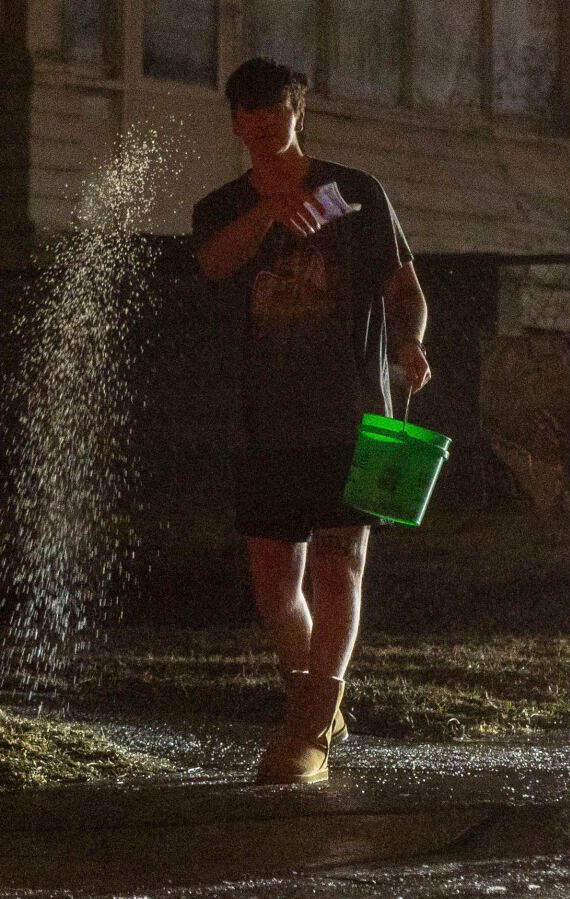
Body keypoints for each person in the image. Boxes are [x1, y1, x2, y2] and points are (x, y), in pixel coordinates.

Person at [191, 58, 431, 784]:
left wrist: (411, 340)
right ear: (235, 122)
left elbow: (404, 286)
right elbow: (213, 266)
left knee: (339, 563)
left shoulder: (354, 193)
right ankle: (313, 701)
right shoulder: (221, 206)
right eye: (248, 115)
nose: (262, 125)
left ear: (299, 111)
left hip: (350, 412)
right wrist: (269, 211)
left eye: (276, 111)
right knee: (274, 579)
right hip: (264, 419)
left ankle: (308, 726)